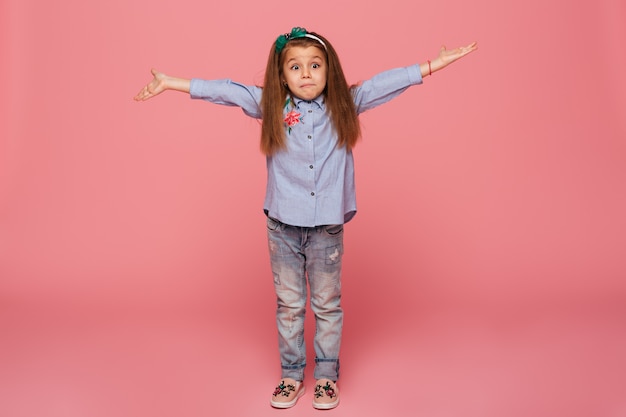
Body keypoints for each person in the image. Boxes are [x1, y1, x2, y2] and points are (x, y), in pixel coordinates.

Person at [134, 26, 477, 410]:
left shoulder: (344, 104)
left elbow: (383, 84)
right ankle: (292, 375)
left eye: (315, 65)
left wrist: (433, 65)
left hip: (326, 228)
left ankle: (326, 377)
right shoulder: (272, 108)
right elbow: (226, 90)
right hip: (282, 226)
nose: (307, 74)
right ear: (282, 75)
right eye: (295, 67)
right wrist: (172, 82)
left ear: (329, 69)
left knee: (327, 305)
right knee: (289, 305)